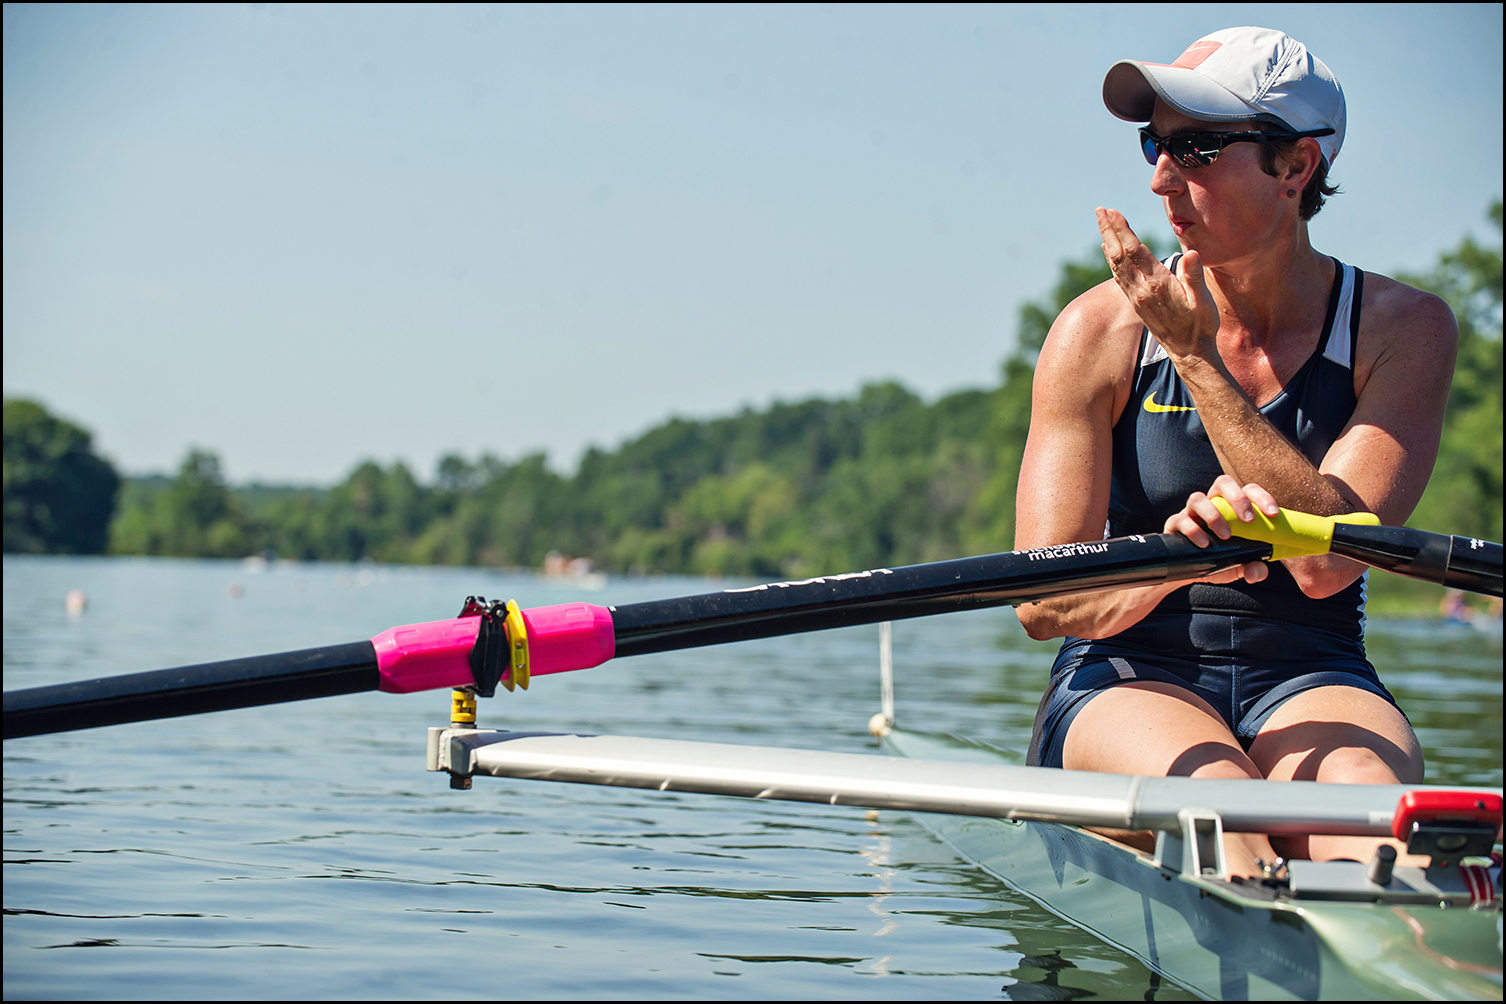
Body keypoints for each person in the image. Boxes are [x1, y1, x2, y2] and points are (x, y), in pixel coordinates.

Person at [1013, 27, 1457, 877]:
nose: (1159, 178)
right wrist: (1183, 563)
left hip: (1315, 671)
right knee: (1226, 829)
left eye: (1198, 147)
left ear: (1297, 168)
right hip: (1129, 673)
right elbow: (1044, 605)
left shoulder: (1405, 330)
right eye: (1156, 143)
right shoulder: (1095, 331)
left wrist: (1194, 357)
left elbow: (1330, 561)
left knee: (1380, 848)